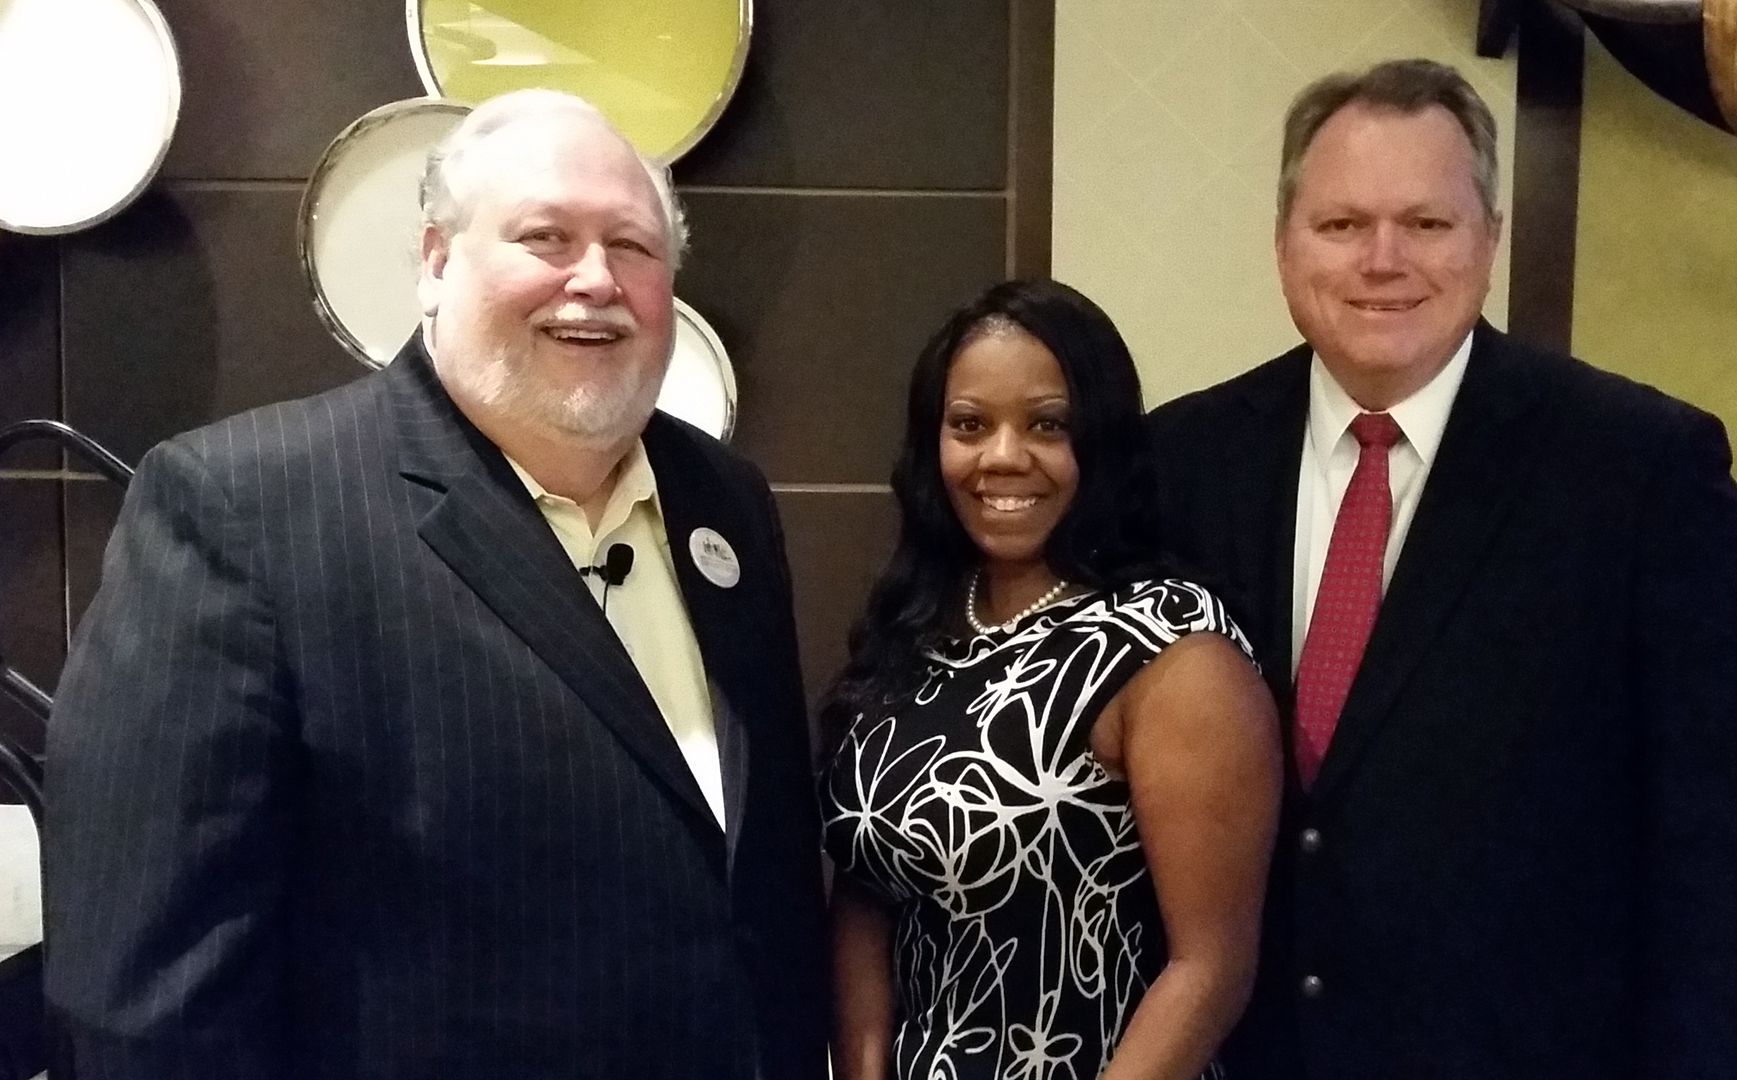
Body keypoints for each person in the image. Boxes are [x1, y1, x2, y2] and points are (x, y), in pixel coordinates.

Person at [43, 89, 827, 1079]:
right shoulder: (241, 509)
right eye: (545, 236)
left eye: (632, 245)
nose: (594, 279)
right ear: (437, 261)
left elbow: (754, 883)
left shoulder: (726, 502)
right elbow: (148, 986)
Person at [1149, 58, 1737, 1079]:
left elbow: (1729, 843)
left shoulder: (1640, 469)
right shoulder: (1177, 465)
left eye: (1426, 223)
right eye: (1341, 224)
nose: (1383, 259)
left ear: (1489, 240)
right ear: (1284, 245)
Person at [818, 279, 1282, 1080]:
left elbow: (1211, 970)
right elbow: (868, 888)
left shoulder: (1173, 651)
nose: (1003, 456)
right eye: (969, 425)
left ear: (1097, 442)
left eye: (1047, 425)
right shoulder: (918, 626)